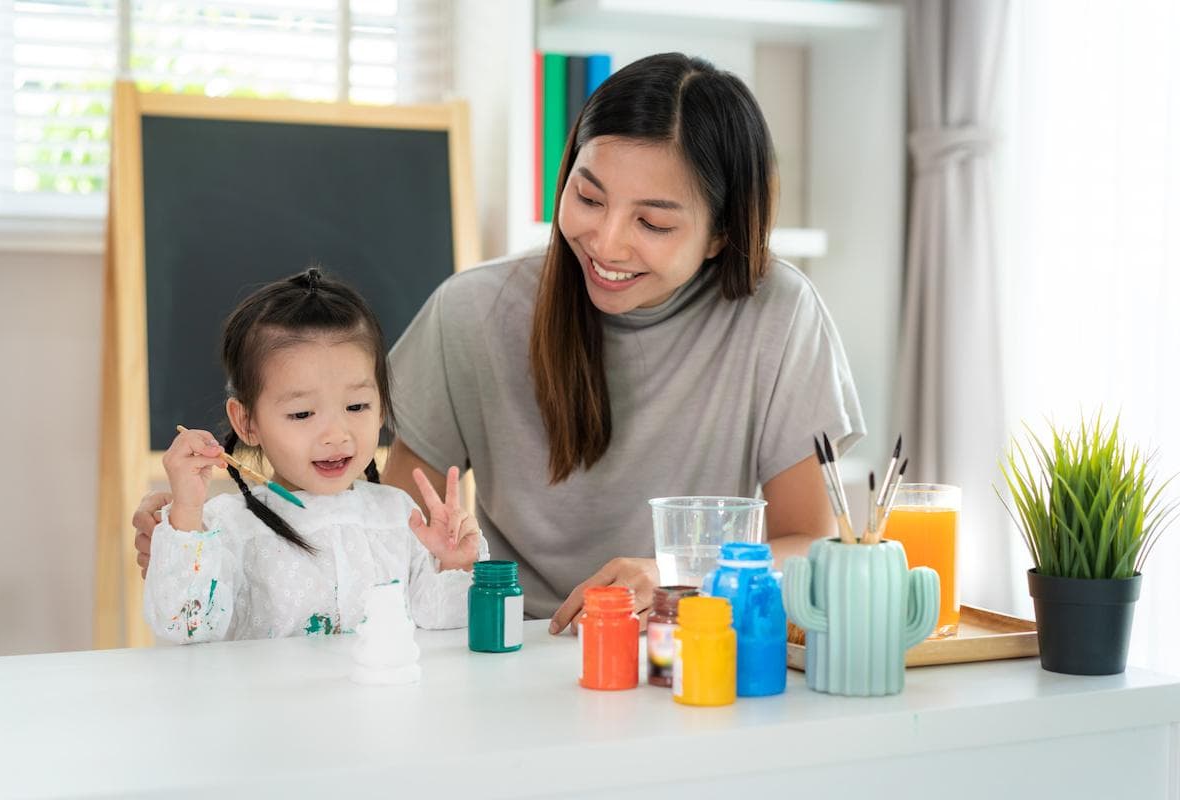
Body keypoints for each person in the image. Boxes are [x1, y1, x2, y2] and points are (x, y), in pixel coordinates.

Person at [135, 52, 864, 636]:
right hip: (507, 653)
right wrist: (202, 533)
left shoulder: (779, 313)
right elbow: (377, 522)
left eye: (655, 221)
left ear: (723, 233)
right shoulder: (476, 312)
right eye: (588, 196)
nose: (605, 241)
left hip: (690, 656)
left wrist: (688, 578)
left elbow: (809, 543)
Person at [143, 268, 484, 643]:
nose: (336, 435)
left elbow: (439, 621)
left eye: (356, 406)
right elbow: (185, 627)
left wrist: (456, 566)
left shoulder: (398, 516)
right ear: (247, 422)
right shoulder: (226, 527)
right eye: (302, 414)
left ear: (383, 406)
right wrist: (187, 514)